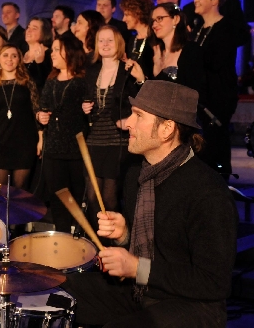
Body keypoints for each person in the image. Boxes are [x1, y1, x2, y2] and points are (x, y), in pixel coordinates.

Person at [63, 80, 238, 327]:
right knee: (60, 293)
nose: (128, 122)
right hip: (143, 290)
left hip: (194, 304)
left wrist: (137, 268)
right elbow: (155, 246)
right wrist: (125, 235)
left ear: (167, 128)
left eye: (138, 115)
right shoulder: (138, 175)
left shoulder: (208, 193)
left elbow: (213, 282)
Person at [82, 25, 139, 220]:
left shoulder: (127, 69)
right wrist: (85, 107)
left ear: (119, 43)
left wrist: (129, 119)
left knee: (110, 197)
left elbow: (139, 100)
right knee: (92, 197)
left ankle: (114, 242)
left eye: (110, 40)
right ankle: (96, 243)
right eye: (101, 40)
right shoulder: (91, 71)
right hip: (94, 139)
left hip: (117, 141)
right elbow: (85, 97)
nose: (105, 44)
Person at [37, 35, 87, 232]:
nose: (53, 53)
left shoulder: (82, 81)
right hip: (53, 150)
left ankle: (80, 242)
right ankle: (62, 238)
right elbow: (42, 108)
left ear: (70, 52)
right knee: (58, 198)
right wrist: (40, 116)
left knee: (78, 196)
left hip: (76, 150)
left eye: (57, 49)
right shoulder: (51, 81)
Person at [191, 0, 238, 180]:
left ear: (215, 0)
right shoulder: (199, 29)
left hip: (217, 99)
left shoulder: (225, 28)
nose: (196, 0)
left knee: (215, 147)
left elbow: (215, 62)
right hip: (199, 99)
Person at [0, 44, 41, 189]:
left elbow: (36, 110)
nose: (10, 59)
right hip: (0, 142)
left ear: (19, 60)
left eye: (14, 56)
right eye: (5, 55)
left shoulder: (27, 81)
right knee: (0, 190)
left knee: (20, 190)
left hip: (24, 142)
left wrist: (41, 139)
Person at [126, 3, 206, 100]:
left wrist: (159, 72)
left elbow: (193, 92)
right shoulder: (152, 52)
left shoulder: (191, 50)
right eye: (153, 21)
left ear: (175, 19)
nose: (154, 25)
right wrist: (140, 79)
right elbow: (148, 96)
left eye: (160, 18)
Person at [120, 0, 155, 79]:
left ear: (138, 13)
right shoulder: (132, 40)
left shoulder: (154, 40)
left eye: (127, 15)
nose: (123, 19)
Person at [23, 17, 53, 92]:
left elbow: (47, 82)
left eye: (34, 28)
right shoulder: (21, 53)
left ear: (44, 33)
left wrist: (40, 63)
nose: (29, 31)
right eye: (28, 27)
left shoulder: (50, 55)